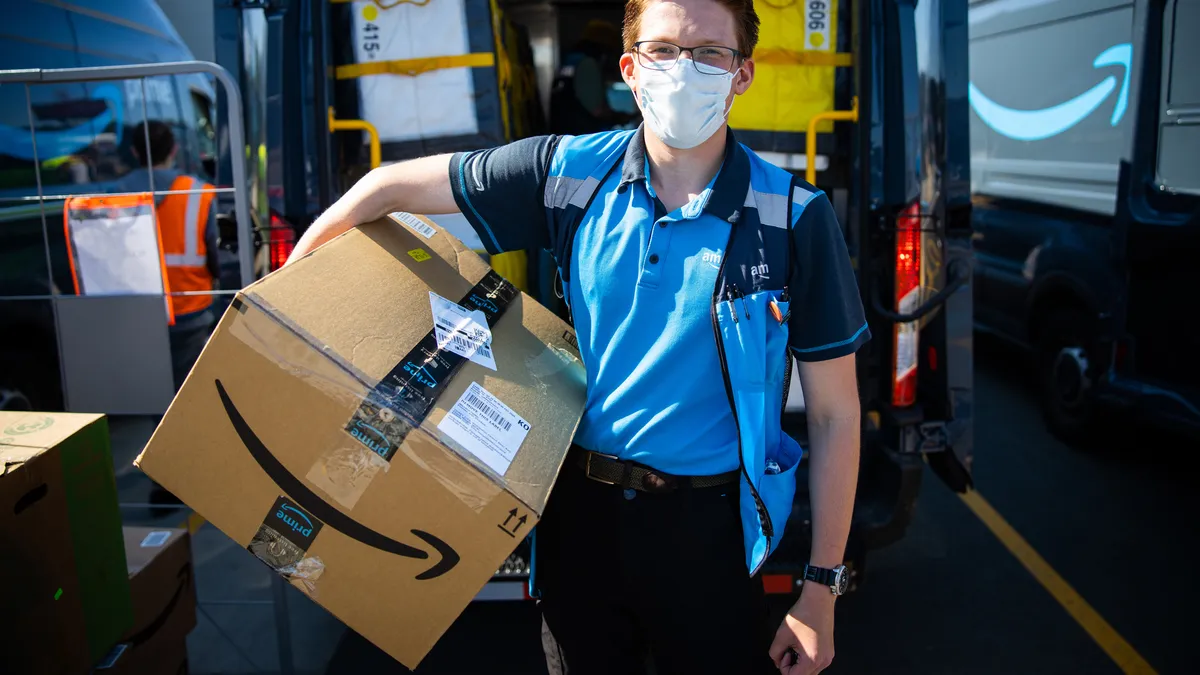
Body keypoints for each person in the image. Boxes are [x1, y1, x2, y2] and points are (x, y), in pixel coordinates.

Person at [290, 0, 869, 672]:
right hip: (579, 521)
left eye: (711, 52)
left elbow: (834, 414)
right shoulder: (568, 174)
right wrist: (281, 296)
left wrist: (821, 588)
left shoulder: (793, 216)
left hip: (708, 533)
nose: (686, 71)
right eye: (663, 50)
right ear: (629, 67)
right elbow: (385, 188)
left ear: (742, 74)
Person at [116, 120, 220, 392]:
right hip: (191, 314)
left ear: (136, 152)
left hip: (137, 314)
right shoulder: (199, 193)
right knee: (191, 396)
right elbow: (218, 258)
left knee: (153, 395)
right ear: (173, 149)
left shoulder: (113, 196)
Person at [549, 19, 634, 134]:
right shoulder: (587, 64)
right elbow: (597, 110)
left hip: (563, 134)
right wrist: (620, 117)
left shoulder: (570, 60)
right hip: (582, 135)